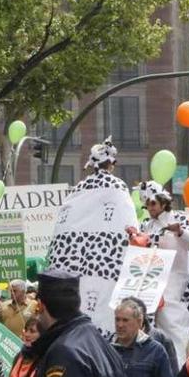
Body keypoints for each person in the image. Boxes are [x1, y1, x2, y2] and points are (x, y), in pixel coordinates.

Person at [45, 136, 139, 336]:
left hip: (73, 267)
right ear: (111, 165)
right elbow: (129, 227)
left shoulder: (77, 190)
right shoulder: (118, 188)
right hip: (108, 264)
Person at [126, 181, 189, 367]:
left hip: (175, 288)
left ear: (163, 202)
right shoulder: (147, 225)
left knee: (174, 332)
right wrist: (135, 237)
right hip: (150, 288)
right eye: (146, 204)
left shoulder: (179, 218)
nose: (149, 208)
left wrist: (180, 232)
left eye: (152, 203)